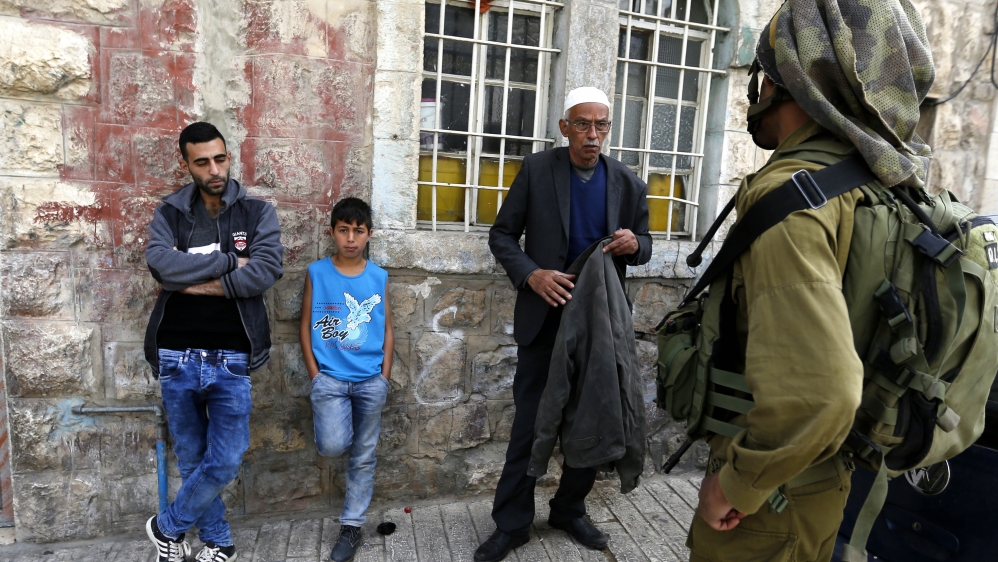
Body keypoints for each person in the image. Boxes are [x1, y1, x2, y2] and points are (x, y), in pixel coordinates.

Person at [687, 2, 935, 561]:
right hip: (820, 480)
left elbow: (823, 394)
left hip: (771, 503)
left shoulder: (793, 196)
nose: (758, 90)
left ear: (789, 81)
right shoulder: (878, 180)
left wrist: (735, 485)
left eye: (764, 73)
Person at [478, 86, 652, 562]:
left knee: (591, 418)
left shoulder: (628, 183)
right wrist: (532, 275)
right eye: (582, 124)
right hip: (545, 320)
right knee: (531, 424)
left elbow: (646, 244)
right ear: (564, 127)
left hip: (599, 323)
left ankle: (569, 509)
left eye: (601, 125)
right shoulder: (537, 170)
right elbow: (501, 235)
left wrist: (635, 244)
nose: (592, 135)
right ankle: (512, 523)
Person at [143, 121, 284, 562]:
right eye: (202, 162)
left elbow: (265, 270)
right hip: (176, 353)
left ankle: (166, 527)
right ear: (186, 164)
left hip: (232, 356)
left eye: (220, 159)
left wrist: (191, 280)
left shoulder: (257, 213)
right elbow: (160, 265)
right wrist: (228, 263)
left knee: (224, 460)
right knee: (191, 459)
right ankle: (219, 541)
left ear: (229, 156)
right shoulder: (170, 213)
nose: (214, 169)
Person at [299, 197, 394, 562]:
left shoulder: (378, 277)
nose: (351, 238)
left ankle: (351, 526)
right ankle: (343, 432)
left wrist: (384, 377)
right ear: (332, 233)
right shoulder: (317, 272)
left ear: (369, 234)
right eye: (343, 230)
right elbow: (305, 324)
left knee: (364, 457)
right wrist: (315, 376)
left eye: (358, 231)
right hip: (330, 381)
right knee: (333, 445)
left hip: (371, 381)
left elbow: (387, 329)